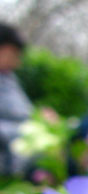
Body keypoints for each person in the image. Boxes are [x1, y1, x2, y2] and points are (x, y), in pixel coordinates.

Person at [0, 23, 31, 177]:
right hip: (13, 155)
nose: (17, 63)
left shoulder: (9, 79)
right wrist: (25, 133)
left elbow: (25, 113)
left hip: (27, 147)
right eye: (13, 55)